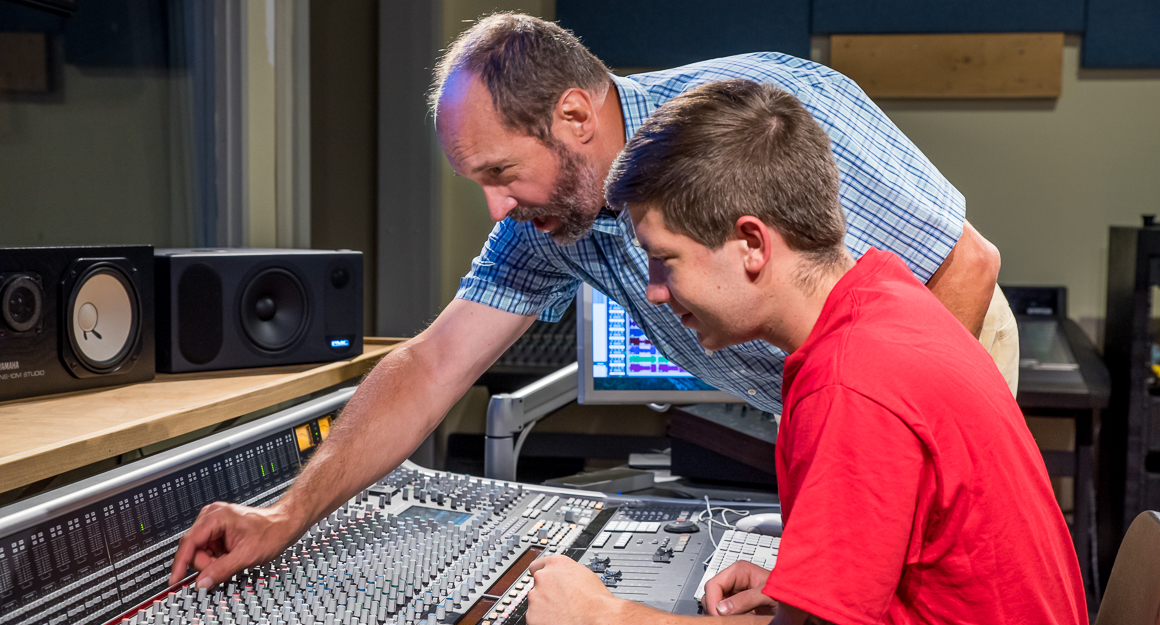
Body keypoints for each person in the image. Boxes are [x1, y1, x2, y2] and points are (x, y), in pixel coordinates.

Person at [168, 13, 1013, 591]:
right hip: (820, 404)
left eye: (500, 174)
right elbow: (433, 364)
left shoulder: (769, 111)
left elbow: (965, 264)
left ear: (574, 116)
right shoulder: (548, 219)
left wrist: (865, 492)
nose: (497, 210)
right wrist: (285, 513)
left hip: (938, 358)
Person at [524, 79, 1087, 625]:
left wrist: (603, 620)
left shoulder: (850, 384)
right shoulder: (887, 300)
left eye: (665, 260)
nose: (655, 292)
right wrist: (802, 597)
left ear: (752, 243)